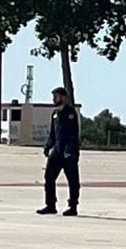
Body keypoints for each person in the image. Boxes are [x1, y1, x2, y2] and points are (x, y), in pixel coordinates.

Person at [38, 86, 80, 216]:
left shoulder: (70, 113)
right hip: (56, 150)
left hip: (69, 152)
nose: (53, 98)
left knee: (72, 180)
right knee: (49, 177)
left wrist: (70, 151)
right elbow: (53, 133)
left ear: (63, 97)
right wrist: (47, 146)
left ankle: (73, 206)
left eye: (56, 96)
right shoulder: (55, 114)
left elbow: (74, 134)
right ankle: (50, 205)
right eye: (53, 96)